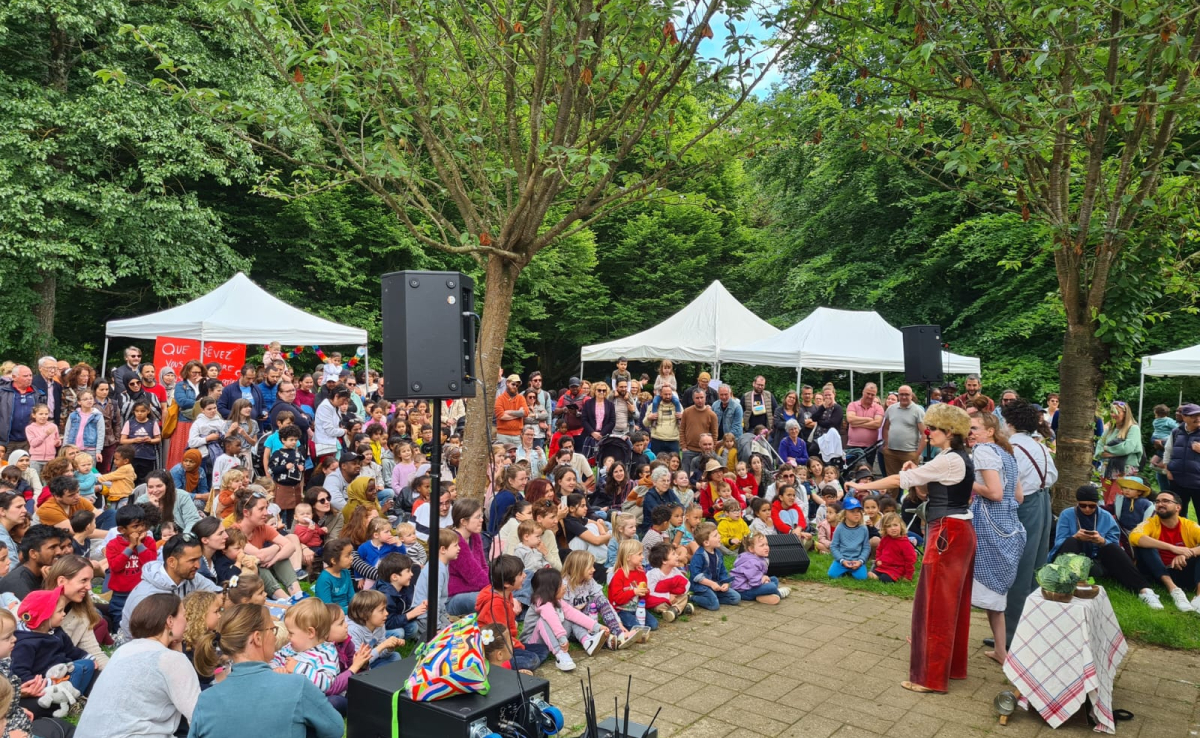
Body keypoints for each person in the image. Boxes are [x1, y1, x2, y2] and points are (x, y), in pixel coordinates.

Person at [846, 402, 975, 694]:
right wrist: (917, 470)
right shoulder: (954, 457)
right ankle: (951, 669)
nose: (928, 433)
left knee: (937, 604)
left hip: (948, 532)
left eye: (934, 429)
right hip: (956, 530)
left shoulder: (949, 459)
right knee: (951, 603)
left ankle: (930, 678)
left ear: (950, 432)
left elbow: (898, 480)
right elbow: (929, 487)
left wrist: (861, 486)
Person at [189, 603, 344, 738]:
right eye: (273, 630)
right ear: (257, 638)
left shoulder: (205, 700)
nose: (277, 638)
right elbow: (335, 729)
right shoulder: (298, 686)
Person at [76, 593, 198, 738]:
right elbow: (198, 715)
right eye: (184, 615)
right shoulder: (171, 660)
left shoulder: (123, 651)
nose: (187, 621)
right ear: (170, 621)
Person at [966, 413, 1025, 664]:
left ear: (990, 431)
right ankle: (1001, 651)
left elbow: (995, 493)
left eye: (974, 428)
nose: (970, 432)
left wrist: (967, 481)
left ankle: (944, 645)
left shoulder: (983, 451)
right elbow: (1018, 497)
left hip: (989, 526)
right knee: (995, 598)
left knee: (967, 588)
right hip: (1011, 525)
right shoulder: (1007, 453)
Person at [998, 399, 1057, 649]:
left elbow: (1006, 483)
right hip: (1043, 503)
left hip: (1025, 505)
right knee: (1036, 565)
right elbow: (1053, 476)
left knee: (1019, 569)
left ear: (1009, 423)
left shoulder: (1011, 449)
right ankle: (1029, 631)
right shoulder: (1039, 446)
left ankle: (1011, 636)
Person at [1050, 485, 1162, 608]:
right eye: (1083, 505)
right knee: (1071, 542)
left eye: (1092, 506)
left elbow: (1114, 541)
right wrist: (1076, 537)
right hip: (1070, 560)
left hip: (1096, 562)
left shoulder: (1105, 516)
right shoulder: (1067, 514)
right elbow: (1059, 542)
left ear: (1097, 504)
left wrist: (1102, 541)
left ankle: (1144, 590)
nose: (1087, 509)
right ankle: (1062, 584)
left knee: (1111, 548)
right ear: (1077, 503)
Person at [120, 533, 222, 641]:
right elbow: (144, 640)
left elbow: (221, 596)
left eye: (199, 559)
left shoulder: (192, 578)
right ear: (172, 562)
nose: (198, 565)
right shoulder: (146, 596)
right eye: (192, 560)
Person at [1130, 490, 1200, 612]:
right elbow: (1134, 536)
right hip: (1156, 572)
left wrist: (1188, 554)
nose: (1160, 504)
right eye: (1157, 501)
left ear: (1178, 507)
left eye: (1166, 501)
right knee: (1144, 545)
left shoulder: (1189, 525)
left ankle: (1198, 597)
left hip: (1181, 570)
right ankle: (1174, 590)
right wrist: (1173, 548)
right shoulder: (1151, 523)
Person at [0, 525, 68, 599]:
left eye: (59, 547)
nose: (59, 551)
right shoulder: (17, 583)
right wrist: (50, 589)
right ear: (33, 554)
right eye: (52, 547)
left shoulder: (51, 573)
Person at [1095, 400, 1142, 506]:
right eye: (1112, 412)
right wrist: (1116, 452)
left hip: (1124, 470)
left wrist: (1108, 449)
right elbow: (1099, 448)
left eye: (1117, 412)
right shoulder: (1110, 429)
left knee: (1114, 501)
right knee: (1106, 502)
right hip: (1107, 470)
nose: (1113, 415)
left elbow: (1127, 448)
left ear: (1125, 414)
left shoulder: (1133, 428)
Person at [447, 498, 489, 616]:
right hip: (454, 597)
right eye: (477, 517)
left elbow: (483, 566)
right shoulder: (455, 541)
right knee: (491, 598)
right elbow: (474, 576)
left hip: (474, 589)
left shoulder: (475, 536)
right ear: (464, 522)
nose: (481, 520)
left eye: (481, 516)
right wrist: (495, 590)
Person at [1164, 403, 1200, 520]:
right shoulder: (1176, 432)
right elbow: (1168, 451)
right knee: (1178, 516)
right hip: (1178, 481)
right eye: (1193, 416)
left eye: (1199, 415)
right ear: (1184, 417)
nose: (1198, 418)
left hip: (1198, 482)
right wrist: (1167, 470)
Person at [882, 385, 926, 479]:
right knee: (892, 481)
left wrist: (918, 453)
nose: (904, 397)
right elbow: (886, 428)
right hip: (891, 452)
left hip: (909, 453)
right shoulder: (891, 409)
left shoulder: (918, 411)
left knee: (910, 481)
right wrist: (886, 444)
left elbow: (924, 433)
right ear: (898, 396)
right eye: (901, 394)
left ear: (911, 396)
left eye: (907, 394)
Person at [0, 366, 39, 452]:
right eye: (25, 376)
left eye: (30, 375)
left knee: (25, 460)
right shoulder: (2, 392)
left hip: (28, 440)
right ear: (14, 377)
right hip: (6, 441)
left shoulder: (37, 393)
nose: (29, 378)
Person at [846, 382, 884, 456]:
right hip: (853, 445)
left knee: (869, 464)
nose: (870, 396)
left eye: (872, 395)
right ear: (863, 392)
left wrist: (856, 424)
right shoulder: (852, 405)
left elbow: (877, 424)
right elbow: (850, 419)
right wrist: (869, 419)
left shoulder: (878, 408)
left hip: (870, 447)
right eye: (868, 393)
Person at [495, 374, 529, 447]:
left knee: (518, 454)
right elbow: (501, 416)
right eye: (513, 384)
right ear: (507, 383)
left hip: (517, 435)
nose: (515, 387)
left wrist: (509, 412)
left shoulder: (521, 398)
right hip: (502, 435)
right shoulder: (500, 399)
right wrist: (518, 414)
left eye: (517, 385)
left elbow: (526, 412)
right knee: (502, 454)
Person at [31, 357, 64, 429]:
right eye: (49, 368)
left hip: (52, 422)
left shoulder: (57, 385)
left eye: (55, 368)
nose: (52, 371)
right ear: (40, 368)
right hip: (36, 423)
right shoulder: (33, 383)